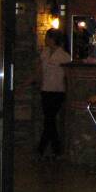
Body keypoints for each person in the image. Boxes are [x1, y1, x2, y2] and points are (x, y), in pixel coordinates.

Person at [36, 28, 71, 158]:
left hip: (57, 91)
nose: (45, 40)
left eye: (47, 37)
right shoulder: (44, 53)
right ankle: (55, 149)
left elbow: (67, 75)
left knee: (50, 119)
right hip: (46, 89)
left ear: (52, 39)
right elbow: (39, 70)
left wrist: (69, 91)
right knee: (49, 120)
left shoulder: (64, 56)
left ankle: (43, 149)